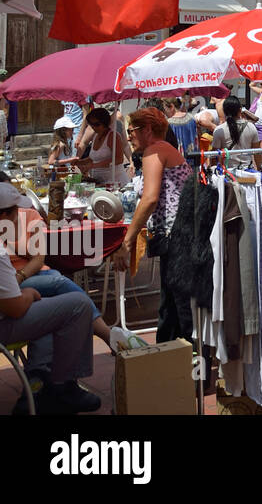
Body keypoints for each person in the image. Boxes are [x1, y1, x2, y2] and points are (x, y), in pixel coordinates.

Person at [0, 177, 100, 414]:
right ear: (5, 215)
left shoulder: (23, 226)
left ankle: (37, 381)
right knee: (76, 304)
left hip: (20, 287)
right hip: (8, 315)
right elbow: (15, 308)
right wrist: (29, 295)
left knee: (54, 296)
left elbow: (38, 258)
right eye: (14, 212)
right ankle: (63, 386)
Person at [110, 108, 195, 344]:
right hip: (180, 235)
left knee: (181, 308)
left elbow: (149, 199)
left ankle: (194, 368)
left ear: (147, 130)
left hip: (177, 237)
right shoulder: (164, 150)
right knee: (171, 306)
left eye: (131, 131)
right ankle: (168, 357)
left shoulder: (154, 151)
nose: (128, 137)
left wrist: (127, 241)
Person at [75, 107, 132, 185]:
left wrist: (93, 165)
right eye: (92, 125)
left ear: (104, 123)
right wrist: (82, 161)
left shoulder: (113, 136)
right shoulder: (96, 136)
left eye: (97, 124)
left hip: (115, 182)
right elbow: (95, 157)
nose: (94, 127)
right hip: (100, 182)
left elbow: (118, 159)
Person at [210, 96, 259, 163]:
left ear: (224, 111)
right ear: (240, 110)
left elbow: (214, 156)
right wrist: (259, 169)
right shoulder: (251, 127)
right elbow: (257, 153)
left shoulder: (219, 130)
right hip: (247, 170)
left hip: (226, 171)